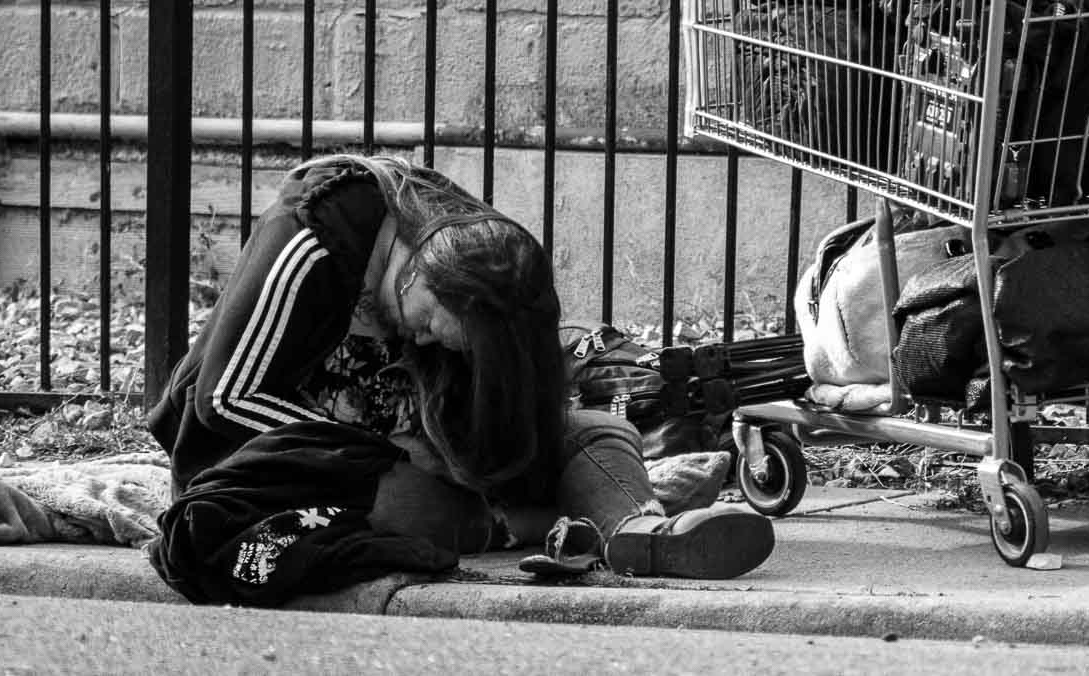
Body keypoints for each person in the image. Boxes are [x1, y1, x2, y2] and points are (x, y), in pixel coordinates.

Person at [146, 151, 775, 580]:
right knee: (388, 502)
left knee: (593, 429)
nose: (431, 342)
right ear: (423, 265)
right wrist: (383, 454)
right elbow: (224, 399)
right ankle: (544, 524)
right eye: (430, 323)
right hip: (290, 465)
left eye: (454, 342)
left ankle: (641, 533)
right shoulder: (313, 236)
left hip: (410, 446)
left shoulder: (473, 242)